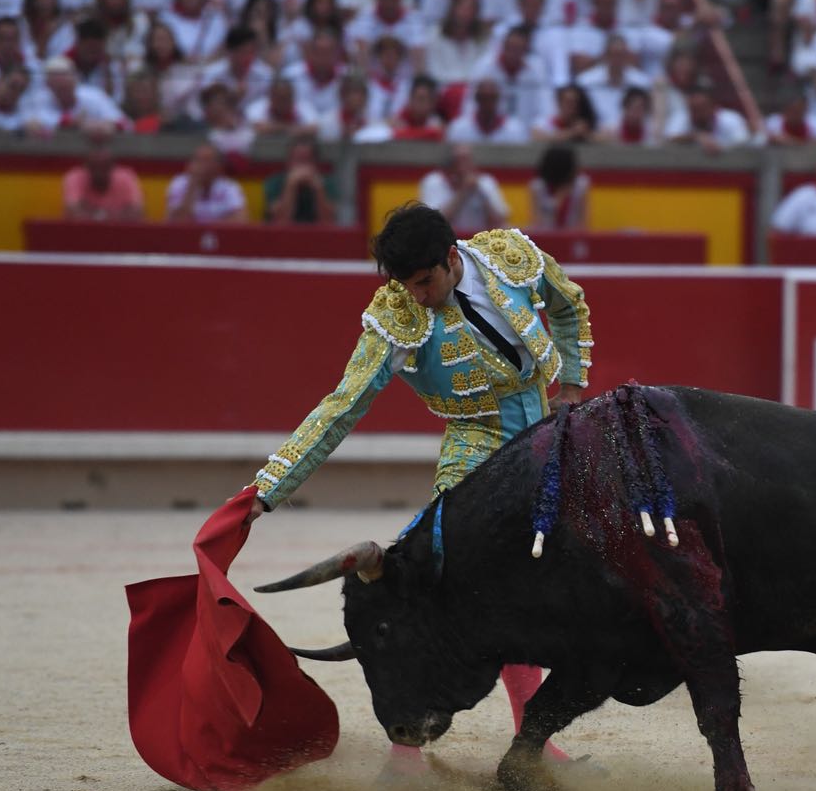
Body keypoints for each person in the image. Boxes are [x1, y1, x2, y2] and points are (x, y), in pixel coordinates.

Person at [245, 204, 593, 756]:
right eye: (405, 286)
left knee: (549, 578)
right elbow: (344, 405)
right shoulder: (397, 316)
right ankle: (407, 751)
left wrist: (572, 385)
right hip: (474, 443)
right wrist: (269, 489)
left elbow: (569, 304)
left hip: (550, 437)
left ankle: (537, 741)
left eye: (425, 282)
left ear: (452, 259)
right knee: (432, 578)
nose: (418, 297)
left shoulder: (508, 257)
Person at [418, 143, 510, 233]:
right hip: (445, 240)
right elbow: (433, 222)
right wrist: (463, 192)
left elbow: (499, 222)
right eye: (459, 162)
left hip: (480, 241)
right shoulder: (433, 181)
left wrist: (480, 192)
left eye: (467, 161)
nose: (463, 167)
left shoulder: (486, 182)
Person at [63, 133, 144, 219]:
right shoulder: (75, 177)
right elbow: (72, 212)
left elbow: (137, 213)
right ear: (87, 167)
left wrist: (97, 215)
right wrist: (114, 215)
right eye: (95, 167)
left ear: (112, 167)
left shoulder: (127, 177)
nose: (99, 172)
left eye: (104, 167)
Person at [263, 133, 338, 224]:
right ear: (289, 162)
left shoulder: (327, 183)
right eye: (298, 160)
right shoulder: (275, 182)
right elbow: (280, 222)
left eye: (306, 160)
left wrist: (319, 189)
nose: (302, 166)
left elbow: (328, 223)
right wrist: (290, 186)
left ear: (316, 163)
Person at [166, 142, 249, 222]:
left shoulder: (229, 187)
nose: (201, 166)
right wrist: (192, 186)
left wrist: (205, 229)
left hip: (219, 236)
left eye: (207, 161)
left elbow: (241, 219)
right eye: (198, 160)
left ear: (219, 166)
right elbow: (176, 222)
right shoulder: (178, 184)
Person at [528, 144, 590, 230]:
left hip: (573, 236)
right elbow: (537, 221)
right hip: (545, 235)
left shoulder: (580, 185)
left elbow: (583, 222)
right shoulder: (538, 187)